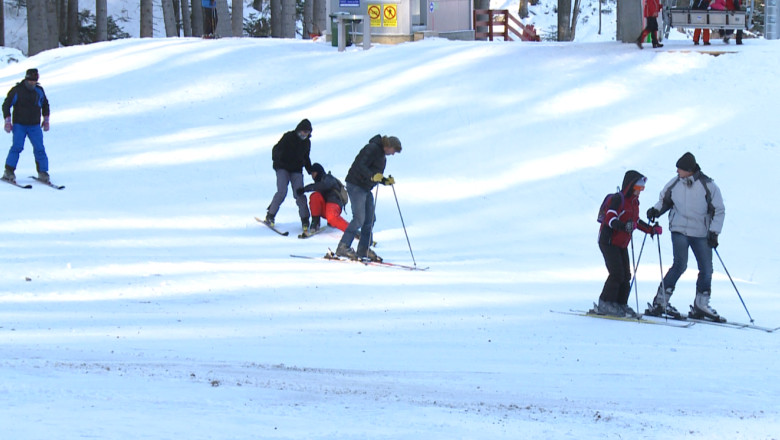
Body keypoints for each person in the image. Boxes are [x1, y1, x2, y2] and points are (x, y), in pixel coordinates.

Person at [646, 152, 726, 322]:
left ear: (689, 170)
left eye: (680, 169)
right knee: (680, 265)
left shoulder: (708, 185)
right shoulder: (675, 183)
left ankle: (701, 305)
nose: (677, 171)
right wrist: (655, 211)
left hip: (701, 233)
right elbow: (664, 200)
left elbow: (719, 210)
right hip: (679, 230)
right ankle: (660, 302)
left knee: (706, 269)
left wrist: (714, 232)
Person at [596, 171, 662, 317]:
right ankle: (605, 303)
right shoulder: (618, 199)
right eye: (638, 187)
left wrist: (651, 230)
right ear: (630, 186)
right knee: (617, 273)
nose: (640, 191)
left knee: (626, 275)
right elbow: (610, 218)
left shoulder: (634, 202)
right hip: (608, 241)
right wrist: (624, 226)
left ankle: (620, 304)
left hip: (621, 243)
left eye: (642, 188)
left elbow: (635, 221)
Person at [335, 135, 402, 262]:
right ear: (388, 146)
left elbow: (375, 175)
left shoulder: (382, 156)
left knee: (370, 219)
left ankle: (363, 248)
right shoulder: (372, 148)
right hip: (355, 184)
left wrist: (384, 180)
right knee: (359, 218)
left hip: (365, 188)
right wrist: (372, 176)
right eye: (394, 150)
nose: (393, 154)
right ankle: (343, 247)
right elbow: (360, 165)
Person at [2, 68, 51, 184]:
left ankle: (43, 172)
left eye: (34, 81)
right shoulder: (17, 90)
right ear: (26, 79)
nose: (32, 83)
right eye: (30, 81)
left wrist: (46, 119)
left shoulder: (39, 90)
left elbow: (45, 104)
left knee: (39, 148)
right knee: (17, 147)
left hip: (34, 125)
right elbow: (6, 105)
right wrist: (7, 120)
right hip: (20, 125)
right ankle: (9, 171)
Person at [265, 119, 313, 232]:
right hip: (283, 168)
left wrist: (310, 170)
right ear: (298, 130)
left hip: (296, 170)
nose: (304, 134)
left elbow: (306, 157)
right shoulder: (288, 137)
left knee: (299, 193)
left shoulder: (307, 142)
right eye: (303, 132)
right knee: (282, 192)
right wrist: (278, 160)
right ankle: (270, 216)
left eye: (307, 133)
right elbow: (276, 149)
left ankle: (305, 220)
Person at [296, 162, 349, 232]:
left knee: (332, 217)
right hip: (326, 208)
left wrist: (305, 189)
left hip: (334, 203)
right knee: (315, 196)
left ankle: (352, 231)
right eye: (311, 173)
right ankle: (315, 222)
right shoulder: (318, 184)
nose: (312, 175)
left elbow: (325, 185)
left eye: (313, 173)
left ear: (318, 172)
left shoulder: (328, 177)